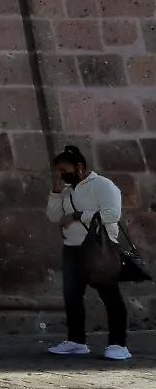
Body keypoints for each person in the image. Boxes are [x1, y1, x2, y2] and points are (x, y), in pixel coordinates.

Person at [45, 144, 130, 360]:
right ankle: (76, 341)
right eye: (59, 172)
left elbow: (112, 214)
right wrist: (55, 190)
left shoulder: (101, 185)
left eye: (64, 171)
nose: (62, 176)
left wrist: (77, 215)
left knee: (110, 296)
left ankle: (119, 344)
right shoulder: (66, 192)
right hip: (72, 250)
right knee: (72, 296)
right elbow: (53, 217)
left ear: (79, 166)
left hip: (99, 248)